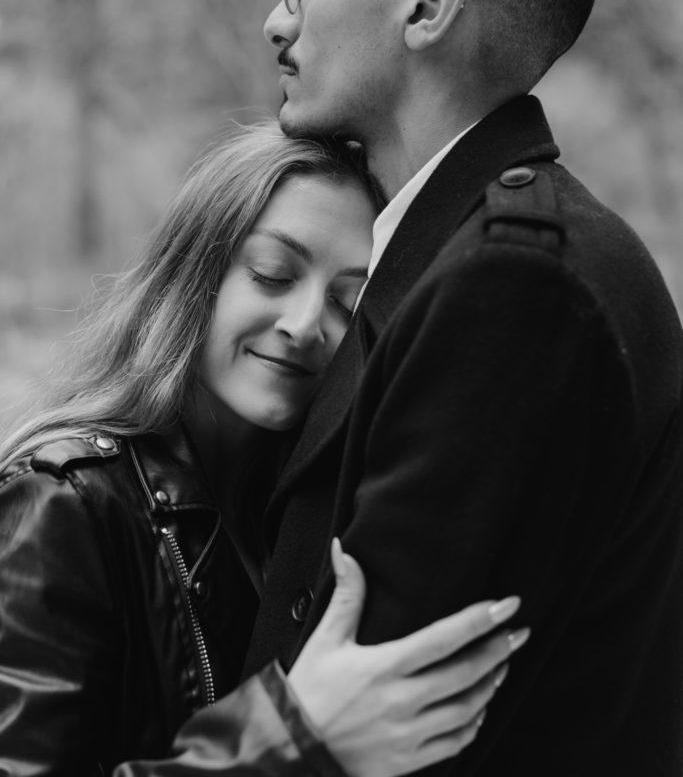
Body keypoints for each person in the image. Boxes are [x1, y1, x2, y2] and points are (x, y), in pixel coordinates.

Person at [244, 0, 683, 776]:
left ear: (428, 4)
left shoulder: (517, 290)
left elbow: (382, 741)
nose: (279, 18)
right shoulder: (462, 253)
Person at [0, 121, 526, 776]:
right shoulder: (62, 503)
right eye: (273, 273)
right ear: (194, 277)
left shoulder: (317, 508)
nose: (305, 326)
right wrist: (291, 740)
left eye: (347, 301)